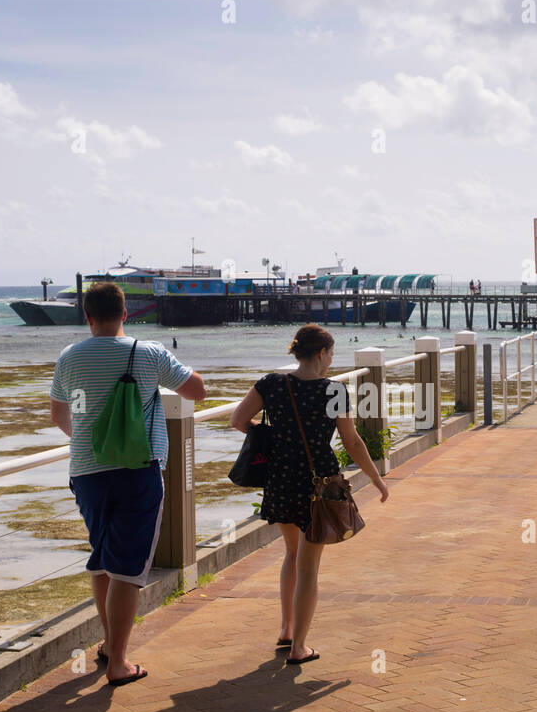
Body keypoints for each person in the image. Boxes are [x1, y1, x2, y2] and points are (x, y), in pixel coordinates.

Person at [49, 282, 206, 687]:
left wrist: (87, 439)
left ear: (87, 316)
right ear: (126, 313)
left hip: (85, 471)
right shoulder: (148, 352)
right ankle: (118, 662)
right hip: (138, 469)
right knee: (129, 571)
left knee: (102, 560)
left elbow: (60, 415)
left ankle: (107, 644)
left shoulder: (69, 357)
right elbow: (197, 391)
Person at [231, 324, 389, 665]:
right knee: (308, 568)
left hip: (280, 478)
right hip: (318, 483)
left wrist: (274, 437)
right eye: (331, 354)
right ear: (321, 353)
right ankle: (299, 647)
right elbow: (352, 441)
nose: (332, 360)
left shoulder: (271, 383)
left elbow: (238, 420)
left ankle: (287, 629)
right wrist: (376, 479)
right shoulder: (333, 391)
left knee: (291, 553)